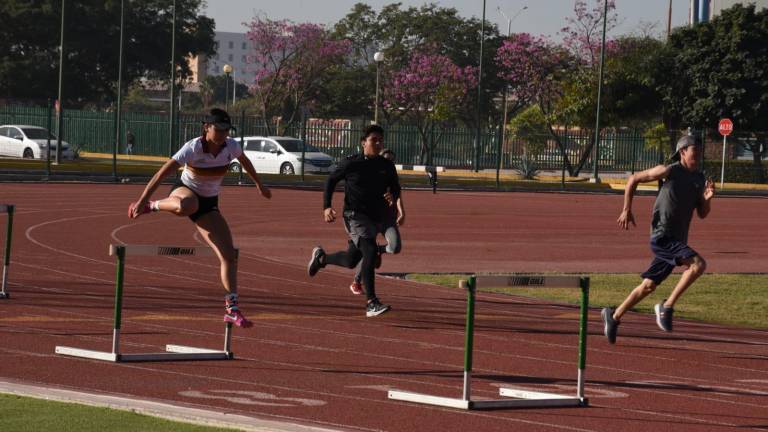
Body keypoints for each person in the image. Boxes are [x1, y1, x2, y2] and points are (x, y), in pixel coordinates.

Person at [127, 108, 271, 328]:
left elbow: (245, 161)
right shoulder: (193, 147)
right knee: (187, 204)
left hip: (209, 204)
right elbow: (160, 174)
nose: (223, 134)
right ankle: (153, 206)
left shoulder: (230, 146)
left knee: (229, 255)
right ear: (206, 127)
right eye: (218, 129)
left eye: (226, 130)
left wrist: (259, 184)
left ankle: (232, 309)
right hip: (184, 191)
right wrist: (141, 200)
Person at [601, 135, 715, 344]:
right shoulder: (668, 170)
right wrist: (626, 209)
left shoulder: (700, 179)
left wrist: (707, 200)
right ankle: (667, 306)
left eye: (700, 151)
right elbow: (633, 178)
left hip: (677, 239)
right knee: (698, 265)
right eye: (694, 151)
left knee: (648, 286)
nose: (698, 155)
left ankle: (614, 316)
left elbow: (702, 214)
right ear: (683, 152)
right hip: (662, 236)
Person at [307, 124, 402, 317]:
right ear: (363, 143)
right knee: (369, 251)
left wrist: (393, 195)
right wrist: (326, 206)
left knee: (352, 260)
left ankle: (321, 258)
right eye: (373, 140)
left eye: (380, 140)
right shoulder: (352, 163)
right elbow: (330, 180)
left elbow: (396, 187)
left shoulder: (386, 166)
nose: (378, 143)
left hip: (377, 217)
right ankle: (371, 303)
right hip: (355, 216)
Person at [348, 147, 405, 295]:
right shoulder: (370, 175)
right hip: (371, 218)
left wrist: (402, 212)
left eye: (392, 160)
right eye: (387, 159)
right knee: (367, 254)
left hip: (388, 219)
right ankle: (356, 282)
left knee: (396, 246)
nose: (389, 162)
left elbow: (397, 194)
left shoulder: (392, 176)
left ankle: (379, 250)